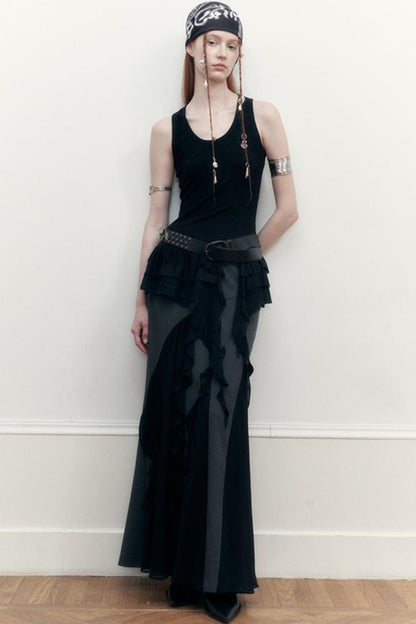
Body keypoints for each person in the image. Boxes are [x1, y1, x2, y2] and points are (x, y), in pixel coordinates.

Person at [118, 2, 298, 622]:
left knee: (223, 411)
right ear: (192, 50)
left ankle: (220, 573)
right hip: (173, 278)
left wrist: (243, 256)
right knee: (176, 413)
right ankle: (181, 568)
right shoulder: (166, 129)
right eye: (210, 42)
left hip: (234, 281)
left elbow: (288, 209)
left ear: (239, 53)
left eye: (230, 44)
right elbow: (156, 218)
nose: (220, 52)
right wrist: (140, 297)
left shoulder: (263, 116)